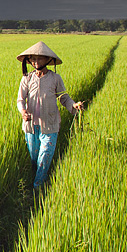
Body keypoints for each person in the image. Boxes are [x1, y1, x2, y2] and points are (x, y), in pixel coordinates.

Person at [15, 41, 85, 190]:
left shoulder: (55, 79)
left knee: (44, 156)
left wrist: (73, 105)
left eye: (39, 59)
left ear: (47, 60)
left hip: (50, 125)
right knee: (34, 158)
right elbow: (20, 100)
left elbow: (63, 97)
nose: (35, 62)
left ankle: (37, 187)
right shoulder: (26, 79)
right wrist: (23, 112)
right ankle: (36, 178)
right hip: (31, 126)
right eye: (33, 59)